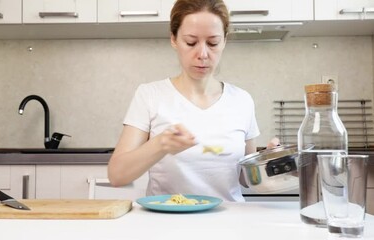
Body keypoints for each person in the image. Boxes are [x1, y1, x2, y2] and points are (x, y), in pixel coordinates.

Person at [108, 0, 277, 202]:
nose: (203, 54)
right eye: (191, 42)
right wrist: (160, 144)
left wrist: (268, 163)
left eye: (213, 43)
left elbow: (245, 178)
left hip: (228, 223)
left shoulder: (242, 100)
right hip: (168, 223)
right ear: (174, 39)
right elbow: (117, 176)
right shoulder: (150, 95)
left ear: (224, 41)